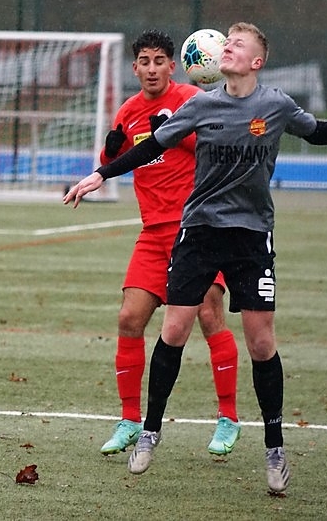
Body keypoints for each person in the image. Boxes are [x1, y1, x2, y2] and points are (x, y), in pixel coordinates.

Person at [64, 22, 327, 494]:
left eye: (237, 45)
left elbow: (317, 132)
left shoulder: (274, 104)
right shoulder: (201, 105)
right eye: (226, 42)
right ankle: (149, 432)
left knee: (260, 343)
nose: (226, 48)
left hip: (252, 238)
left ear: (256, 62)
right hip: (200, 234)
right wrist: (99, 175)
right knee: (173, 329)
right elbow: (152, 146)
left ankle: (274, 447)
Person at [96, 28, 242, 458]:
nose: (152, 69)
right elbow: (115, 162)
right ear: (136, 67)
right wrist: (108, 151)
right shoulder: (128, 112)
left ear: (173, 66)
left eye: (160, 60)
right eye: (144, 61)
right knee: (129, 318)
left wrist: (183, 134)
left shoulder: (190, 102)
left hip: (197, 230)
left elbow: (216, 149)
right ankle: (128, 419)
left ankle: (228, 418)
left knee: (209, 315)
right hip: (153, 233)